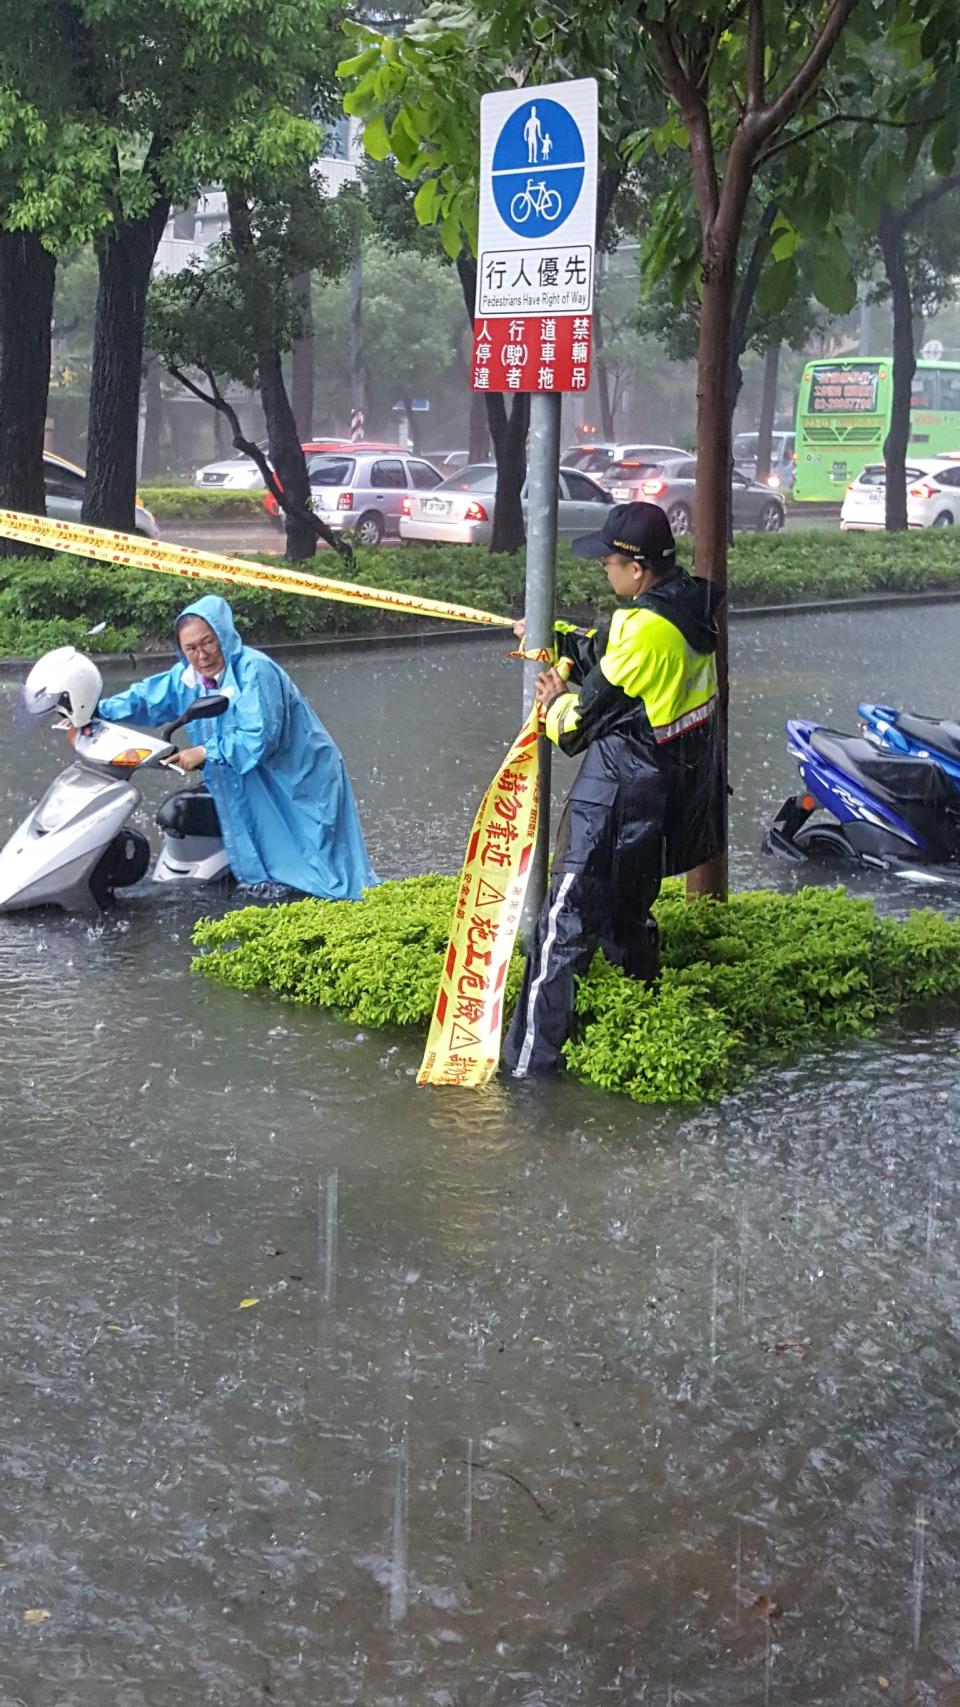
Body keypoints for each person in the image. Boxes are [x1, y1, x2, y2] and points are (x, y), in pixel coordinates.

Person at [502, 502, 725, 1078]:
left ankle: (528, 1075)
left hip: (614, 798)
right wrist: (555, 636)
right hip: (656, 801)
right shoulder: (687, 610)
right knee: (628, 919)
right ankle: (638, 1029)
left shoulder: (644, 629)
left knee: (559, 932)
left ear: (636, 568)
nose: (602, 566)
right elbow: (609, 657)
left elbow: (575, 729)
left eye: (608, 560)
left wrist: (551, 700)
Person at [98, 594, 377, 899]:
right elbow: (147, 698)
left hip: (299, 777)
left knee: (322, 865)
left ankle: (347, 912)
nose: (201, 655)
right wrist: (95, 712)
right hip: (247, 781)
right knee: (261, 856)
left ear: (223, 635)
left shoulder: (254, 671)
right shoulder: (188, 678)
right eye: (190, 648)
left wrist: (204, 752)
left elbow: (259, 737)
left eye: (208, 642)